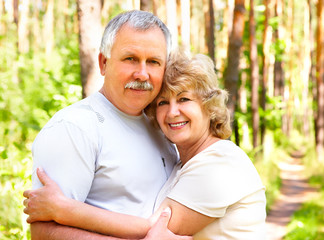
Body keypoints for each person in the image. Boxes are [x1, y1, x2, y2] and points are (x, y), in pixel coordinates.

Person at [24, 50, 267, 239]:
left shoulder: (220, 164)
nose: (173, 112)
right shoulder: (183, 161)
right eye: (162, 103)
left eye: (184, 99)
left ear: (209, 106)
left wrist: (64, 208)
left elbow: (152, 229)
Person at [25, 10, 192, 240]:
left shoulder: (163, 125)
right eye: (130, 58)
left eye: (153, 62)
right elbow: (44, 233)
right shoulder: (75, 128)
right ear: (104, 63)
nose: (142, 74)